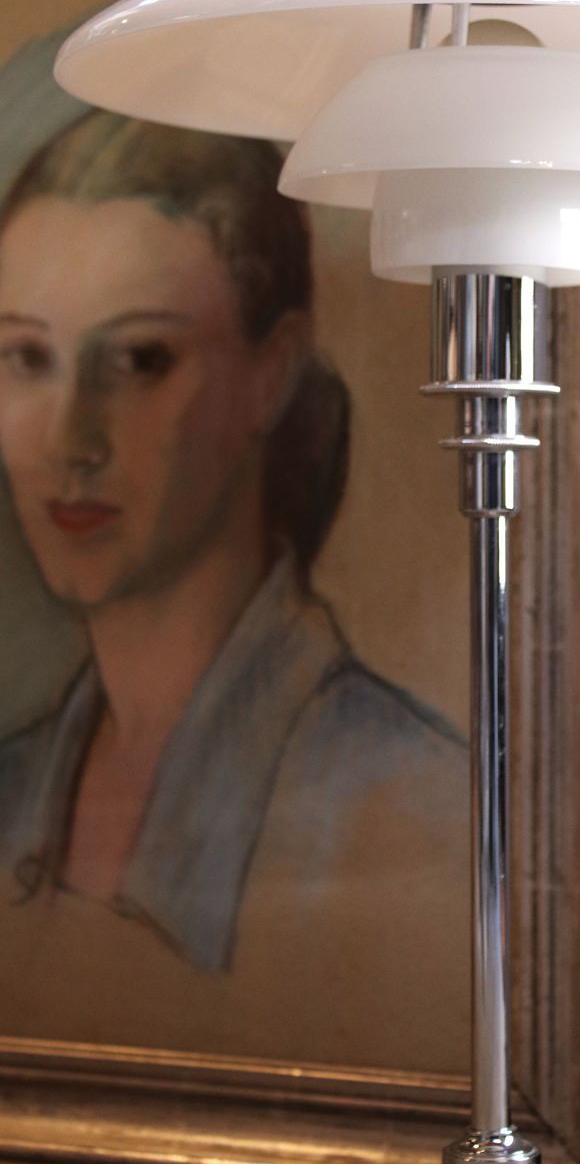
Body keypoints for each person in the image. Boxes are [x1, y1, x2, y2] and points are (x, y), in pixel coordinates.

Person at [0, 110, 469, 1069]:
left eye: (140, 359)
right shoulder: (14, 786)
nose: (69, 440)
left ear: (272, 371)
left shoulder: (412, 804)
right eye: (26, 359)